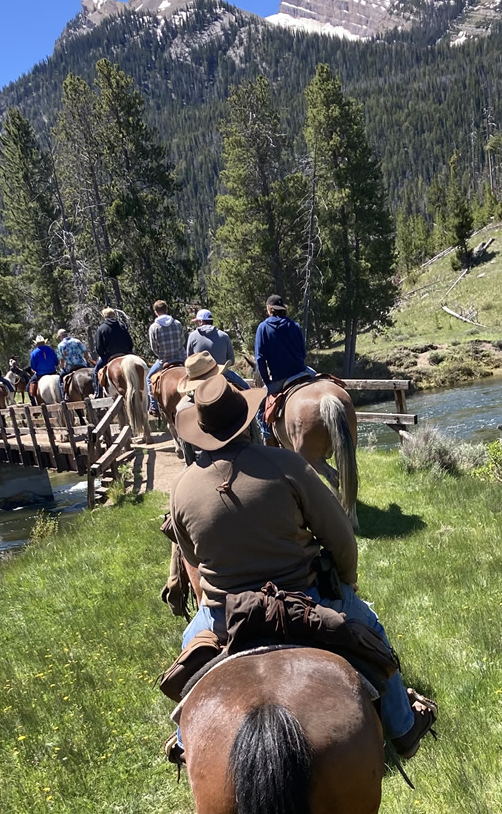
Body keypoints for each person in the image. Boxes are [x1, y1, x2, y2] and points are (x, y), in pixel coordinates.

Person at [167, 377, 436, 762]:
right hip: (302, 600)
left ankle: (183, 742)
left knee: (189, 654)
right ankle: (404, 729)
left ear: (203, 431)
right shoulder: (287, 465)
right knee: (372, 631)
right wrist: (348, 581)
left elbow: (192, 556)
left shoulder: (181, 487)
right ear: (246, 421)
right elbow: (340, 537)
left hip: (224, 615)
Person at [253, 295, 315, 441]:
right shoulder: (295, 325)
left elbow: (260, 359)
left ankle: (267, 437)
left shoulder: (263, 328)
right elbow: (303, 353)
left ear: (270, 309)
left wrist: (268, 382)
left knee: (260, 408)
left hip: (281, 378)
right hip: (302, 372)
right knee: (320, 380)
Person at [185, 309, 250, 390]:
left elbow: (189, 359)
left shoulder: (192, 336)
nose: (197, 324)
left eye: (197, 322)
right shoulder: (224, 336)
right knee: (246, 388)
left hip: (200, 376)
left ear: (201, 322)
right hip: (222, 373)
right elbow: (232, 361)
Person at [147, 300, 186, 413]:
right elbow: (182, 340)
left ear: (156, 312)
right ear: (166, 309)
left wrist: (161, 354)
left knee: (149, 379)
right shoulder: (177, 323)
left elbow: (154, 347)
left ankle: (154, 406)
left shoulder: (154, 327)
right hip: (181, 358)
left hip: (164, 360)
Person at [93, 308, 134, 396]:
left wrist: (102, 355)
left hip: (109, 356)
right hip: (125, 353)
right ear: (114, 315)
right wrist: (128, 351)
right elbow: (130, 342)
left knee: (96, 370)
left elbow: (99, 347)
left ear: (104, 316)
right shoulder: (121, 325)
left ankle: (98, 392)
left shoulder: (101, 328)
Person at [29, 336, 59, 401]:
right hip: (52, 372)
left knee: (28, 386)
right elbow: (56, 362)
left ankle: (34, 404)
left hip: (40, 374)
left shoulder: (34, 353)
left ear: (36, 344)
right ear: (44, 343)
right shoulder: (51, 350)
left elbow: (33, 366)